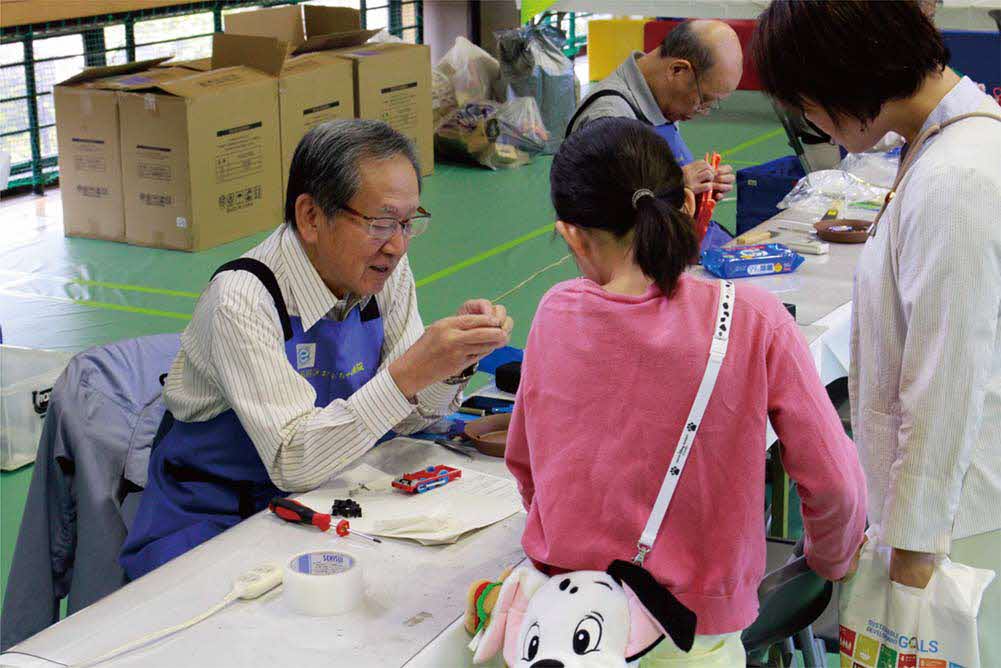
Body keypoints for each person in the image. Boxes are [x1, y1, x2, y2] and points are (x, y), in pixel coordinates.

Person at [505, 118, 867, 666]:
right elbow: (836, 483)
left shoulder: (556, 312)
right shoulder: (752, 318)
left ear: (571, 234)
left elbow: (527, 465)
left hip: (566, 621)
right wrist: (828, 560)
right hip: (694, 635)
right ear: (687, 208)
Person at [120, 120, 514, 579]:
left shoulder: (383, 273)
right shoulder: (242, 298)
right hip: (214, 514)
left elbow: (406, 418)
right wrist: (407, 374)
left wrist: (449, 365)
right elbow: (292, 460)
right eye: (381, 222)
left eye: (408, 223)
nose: (397, 246)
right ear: (310, 216)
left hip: (328, 492)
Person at [752, 1, 1001, 662]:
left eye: (802, 99)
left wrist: (913, 553)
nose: (804, 117)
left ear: (839, 74)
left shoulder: (955, 175)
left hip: (954, 521)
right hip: (945, 506)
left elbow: (945, 381)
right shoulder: (942, 144)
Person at [567, 20, 740, 201]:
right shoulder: (609, 118)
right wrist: (676, 183)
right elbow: (598, 210)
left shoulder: (661, 103)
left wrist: (700, 189)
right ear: (677, 70)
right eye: (703, 100)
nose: (702, 112)